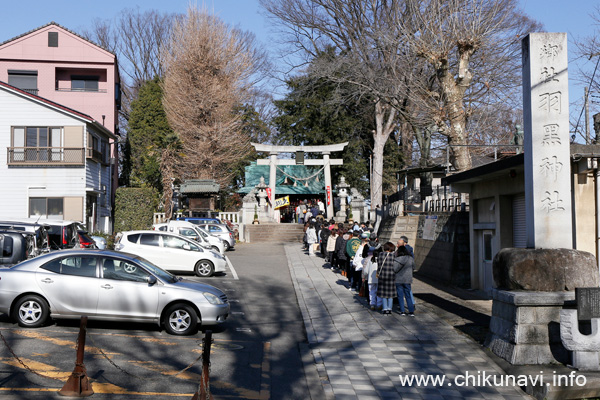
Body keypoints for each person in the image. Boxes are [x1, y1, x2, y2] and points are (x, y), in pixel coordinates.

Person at [394, 246, 416, 316]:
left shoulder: (397, 259)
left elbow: (394, 269)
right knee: (408, 295)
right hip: (407, 279)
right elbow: (414, 268)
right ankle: (411, 311)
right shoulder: (410, 259)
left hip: (398, 279)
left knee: (400, 295)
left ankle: (402, 311)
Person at [376, 242, 397, 315]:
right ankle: (389, 309)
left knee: (384, 294)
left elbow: (378, 265)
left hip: (382, 276)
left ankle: (384, 308)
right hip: (391, 276)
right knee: (390, 294)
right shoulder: (394, 256)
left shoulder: (380, 255)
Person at [362, 244, 383, 310]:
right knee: (379, 292)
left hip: (371, 279)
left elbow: (366, 270)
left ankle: (372, 304)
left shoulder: (370, 260)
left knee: (372, 292)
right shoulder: (381, 260)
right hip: (379, 279)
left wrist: (364, 276)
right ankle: (379, 304)